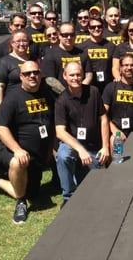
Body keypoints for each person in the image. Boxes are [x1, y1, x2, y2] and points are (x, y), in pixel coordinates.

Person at [0, 62, 55, 224]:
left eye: (35, 72)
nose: (32, 76)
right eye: (28, 73)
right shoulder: (12, 97)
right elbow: (0, 128)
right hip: (12, 150)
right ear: (21, 77)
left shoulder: (46, 94)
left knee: (32, 194)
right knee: (17, 165)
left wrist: (50, 151)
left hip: (36, 157)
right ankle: (20, 203)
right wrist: (17, 149)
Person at [55, 62, 110, 205]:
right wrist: (80, 149)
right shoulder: (61, 100)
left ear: (83, 75)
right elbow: (60, 132)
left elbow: (103, 119)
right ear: (65, 76)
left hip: (93, 146)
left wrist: (105, 147)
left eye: (78, 74)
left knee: (97, 191)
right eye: (72, 75)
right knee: (63, 155)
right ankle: (68, 197)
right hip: (73, 147)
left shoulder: (94, 92)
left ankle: (80, 175)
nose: (75, 78)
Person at [41, 22, 93, 91]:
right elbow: (50, 80)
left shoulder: (82, 53)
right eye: (65, 35)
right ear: (59, 35)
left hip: (81, 94)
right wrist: (67, 94)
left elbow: (89, 75)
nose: (69, 37)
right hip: (59, 97)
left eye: (71, 35)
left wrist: (80, 90)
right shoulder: (50, 54)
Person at [0, 30, 32, 111]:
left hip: (31, 105)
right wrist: (0, 110)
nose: (21, 44)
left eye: (24, 41)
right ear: (12, 43)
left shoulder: (33, 60)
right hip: (13, 106)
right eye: (18, 41)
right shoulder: (4, 62)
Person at [79, 17, 115, 94]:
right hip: (89, 87)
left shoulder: (111, 46)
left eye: (99, 26)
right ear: (88, 28)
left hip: (107, 87)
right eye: (93, 27)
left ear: (103, 28)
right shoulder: (81, 47)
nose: (96, 28)